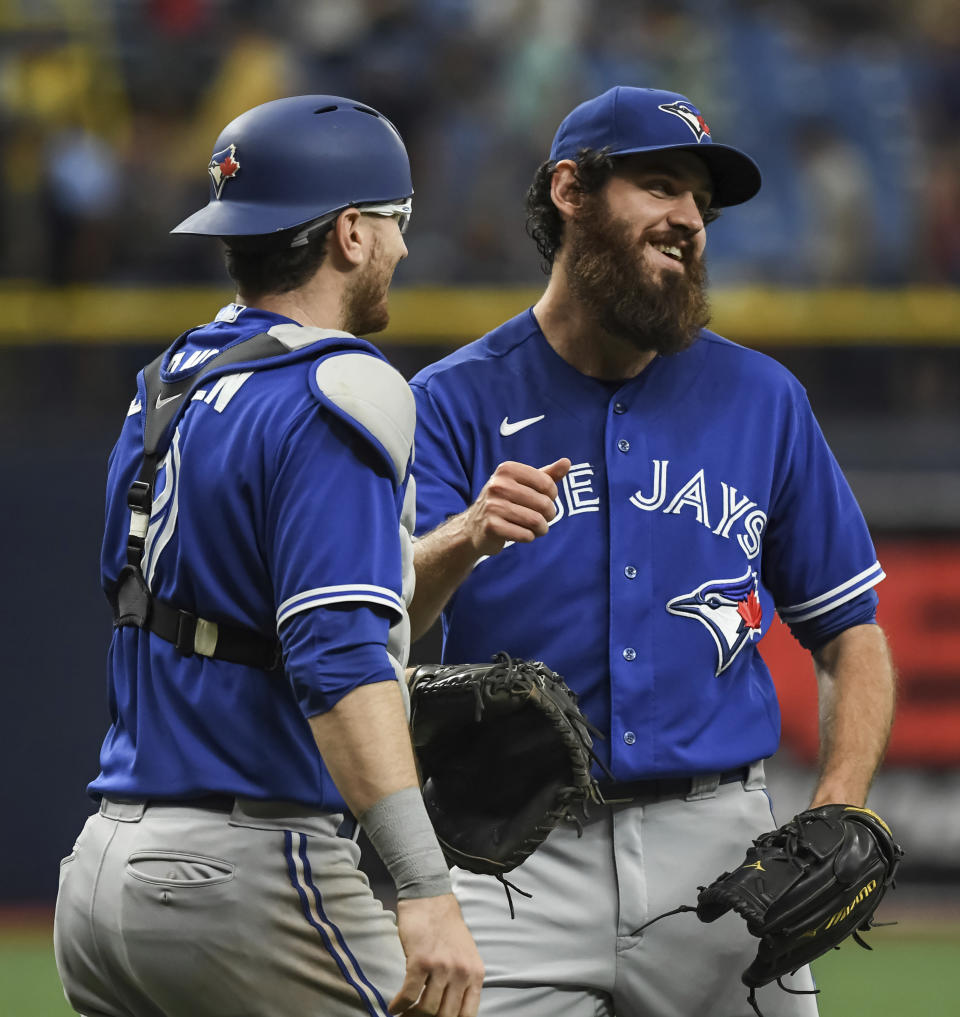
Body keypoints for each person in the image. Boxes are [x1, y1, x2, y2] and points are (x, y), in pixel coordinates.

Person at [407, 86, 896, 1017]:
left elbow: (852, 634)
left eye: (700, 205)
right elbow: (389, 616)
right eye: (661, 186)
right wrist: (465, 536)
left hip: (717, 853)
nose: (688, 221)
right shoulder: (451, 399)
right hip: (510, 852)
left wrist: (838, 802)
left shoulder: (764, 399)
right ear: (569, 190)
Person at [54, 95, 483, 1017]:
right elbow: (335, 655)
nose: (405, 249)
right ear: (351, 233)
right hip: (245, 868)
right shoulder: (340, 382)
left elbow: (224, 610)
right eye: (396, 222)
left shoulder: (166, 385)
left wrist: (446, 550)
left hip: (101, 873)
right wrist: (423, 883)